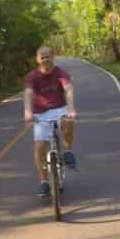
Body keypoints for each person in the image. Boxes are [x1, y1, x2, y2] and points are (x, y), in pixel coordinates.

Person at [23, 45, 77, 197]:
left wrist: (71, 109)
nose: (45, 59)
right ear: (37, 59)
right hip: (41, 113)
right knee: (40, 146)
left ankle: (67, 151)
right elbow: (28, 94)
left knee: (69, 121)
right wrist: (27, 112)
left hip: (60, 108)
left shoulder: (61, 73)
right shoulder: (32, 76)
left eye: (48, 56)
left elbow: (68, 90)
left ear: (53, 57)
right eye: (42, 56)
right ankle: (44, 182)